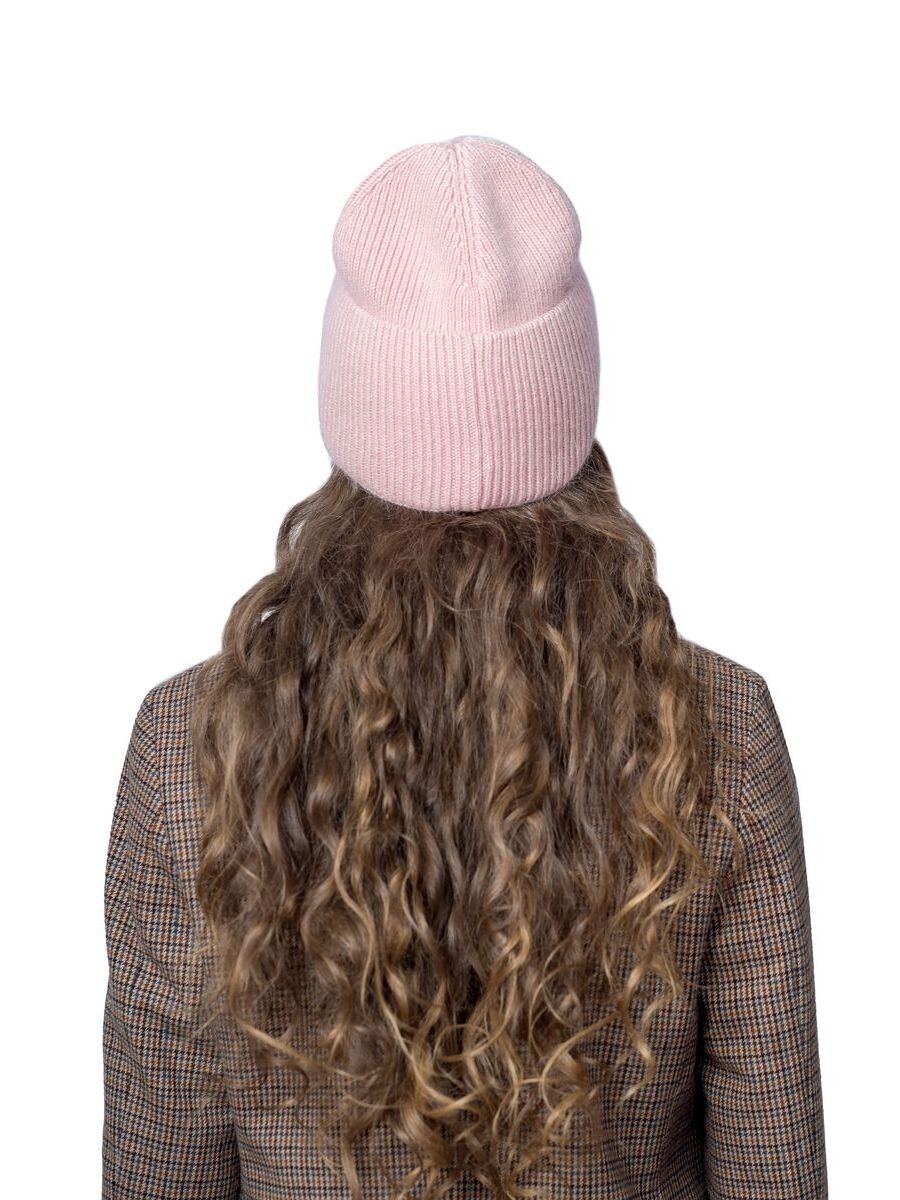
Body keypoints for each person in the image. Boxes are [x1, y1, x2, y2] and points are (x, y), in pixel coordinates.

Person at [102, 135, 828, 1199]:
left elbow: (158, 1176)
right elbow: (774, 1173)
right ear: (571, 406)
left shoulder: (191, 749)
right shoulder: (716, 731)